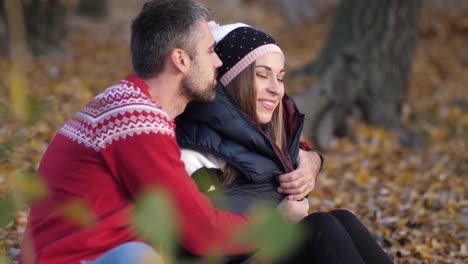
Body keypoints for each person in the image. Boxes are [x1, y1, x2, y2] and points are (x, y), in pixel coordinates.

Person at [19, 1, 308, 264]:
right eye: (209, 52)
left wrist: (309, 157)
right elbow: (200, 231)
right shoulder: (137, 121)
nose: (218, 62)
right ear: (181, 60)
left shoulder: (131, 104)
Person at [176, 22, 394, 264]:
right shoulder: (194, 156)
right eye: (262, 75)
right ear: (228, 80)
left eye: (280, 78)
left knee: (343, 219)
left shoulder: (263, 138)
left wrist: (311, 162)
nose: (276, 89)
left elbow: (297, 150)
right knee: (319, 228)